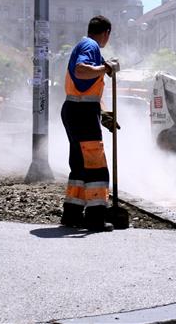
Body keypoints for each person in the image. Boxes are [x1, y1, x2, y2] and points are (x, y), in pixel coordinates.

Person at [60, 15, 120, 232]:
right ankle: (95, 218)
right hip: (81, 114)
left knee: (79, 165)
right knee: (96, 167)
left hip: (76, 111)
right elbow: (80, 70)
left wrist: (104, 112)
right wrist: (106, 68)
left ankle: (72, 214)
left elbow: (88, 90)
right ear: (106, 33)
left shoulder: (86, 45)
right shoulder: (90, 45)